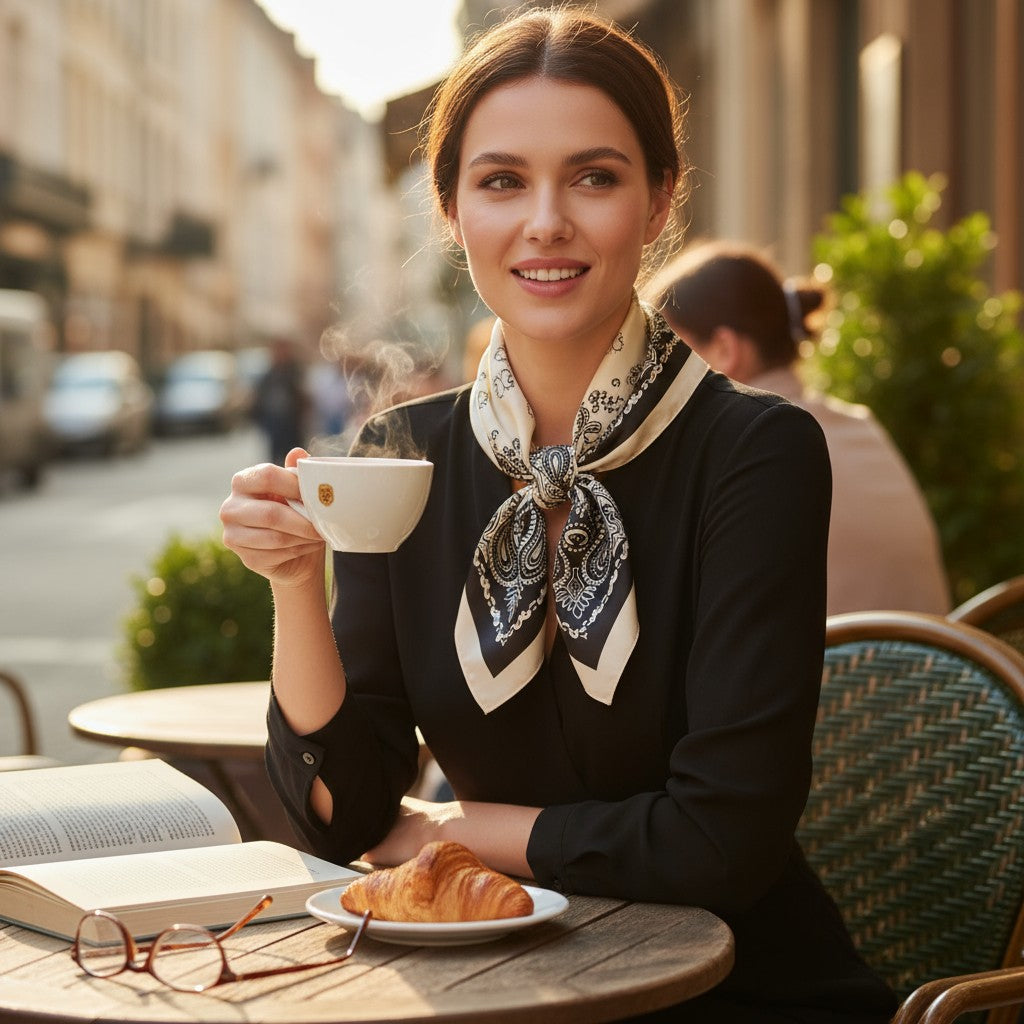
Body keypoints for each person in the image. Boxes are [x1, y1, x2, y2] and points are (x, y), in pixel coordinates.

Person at [220, 10, 896, 1022]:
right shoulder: (403, 457)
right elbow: (344, 811)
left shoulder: (753, 454)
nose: (545, 221)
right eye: (500, 181)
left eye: (593, 176)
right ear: (449, 209)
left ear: (659, 199)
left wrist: (450, 831)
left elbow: (719, 843)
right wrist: (292, 586)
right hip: (489, 979)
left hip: (733, 985)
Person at [647, 240, 951, 616]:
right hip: (937, 668)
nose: (652, 373)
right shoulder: (860, 427)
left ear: (725, 350)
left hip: (823, 672)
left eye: (666, 349)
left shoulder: (736, 447)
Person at [253, 337, 310, 464]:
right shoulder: (268, 376)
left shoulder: (295, 373)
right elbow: (259, 400)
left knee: (295, 460)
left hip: (292, 427)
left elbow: (304, 398)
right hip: (274, 426)